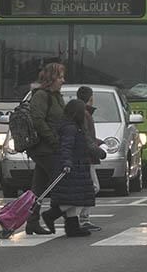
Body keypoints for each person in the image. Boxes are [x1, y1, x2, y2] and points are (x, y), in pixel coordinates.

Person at [42, 99, 106, 237]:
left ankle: (72, 227)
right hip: (72, 166)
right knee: (75, 198)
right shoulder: (71, 128)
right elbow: (66, 147)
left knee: (71, 197)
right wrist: (66, 163)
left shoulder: (71, 126)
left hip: (76, 165)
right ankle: (50, 215)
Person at [25, 62, 66, 235]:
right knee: (62, 182)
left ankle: (31, 221)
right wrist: (54, 140)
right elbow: (38, 120)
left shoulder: (56, 96)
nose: (63, 81)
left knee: (39, 188)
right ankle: (53, 215)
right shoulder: (41, 96)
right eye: (61, 77)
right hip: (44, 149)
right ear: (51, 78)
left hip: (50, 148)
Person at [76, 86, 103, 232]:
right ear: (91, 98)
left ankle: (81, 217)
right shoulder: (85, 114)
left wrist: (96, 141)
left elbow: (86, 136)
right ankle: (82, 217)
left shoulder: (82, 113)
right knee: (93, 187)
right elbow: (85, 136)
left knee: (89, 186)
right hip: (86, 156)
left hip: (85, 155)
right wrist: (96, 149)